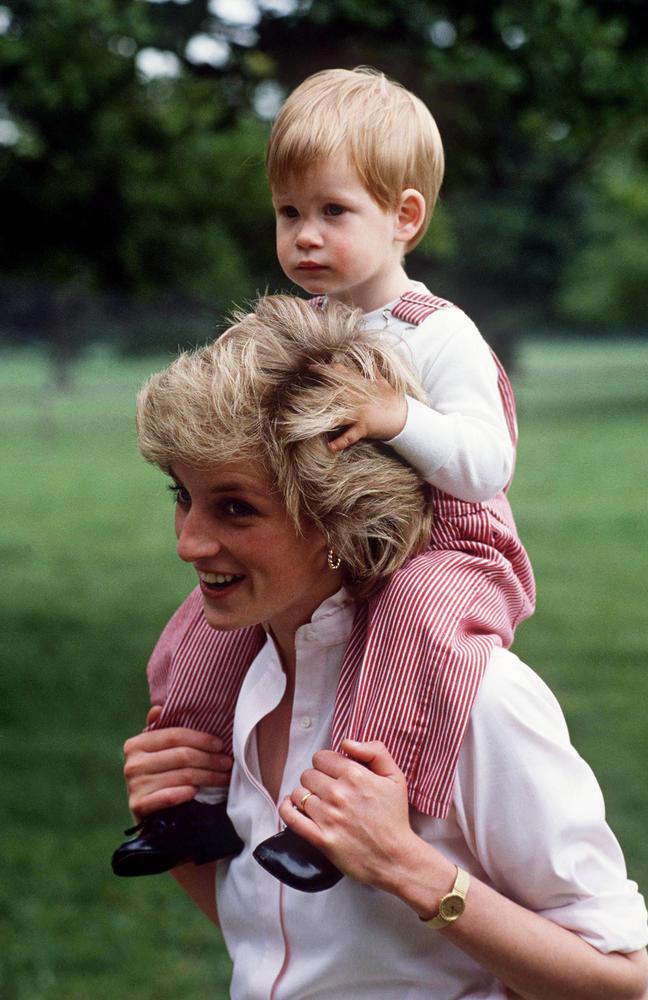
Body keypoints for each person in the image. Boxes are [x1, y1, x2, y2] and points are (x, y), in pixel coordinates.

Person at [120, 295, 648, 999]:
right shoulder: (238, 678)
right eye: (180, 495)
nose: (188, 542)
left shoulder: (478, 698)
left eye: (236, 507)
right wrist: (182, 834)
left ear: (341, 517)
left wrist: (410, 867)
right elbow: (287, 952)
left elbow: (621, 982)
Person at [112, 66, 535, 885]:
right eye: (289, 213)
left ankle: (335, 815)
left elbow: (487, 466)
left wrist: (395, 418)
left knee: (412, 620)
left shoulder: (435, 331)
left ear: (404, 216)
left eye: (333, 212)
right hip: (329, 538)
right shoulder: (302, 322)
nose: (305, 235)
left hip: (449, 549)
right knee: (199, 629)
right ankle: (186, 802)